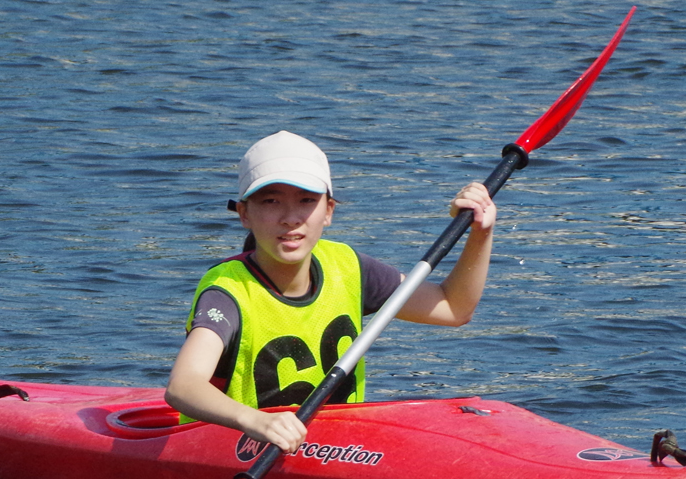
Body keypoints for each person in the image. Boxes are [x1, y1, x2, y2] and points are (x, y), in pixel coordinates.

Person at [166, 131, 497, 452]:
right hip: (235, 447)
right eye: (271, 201)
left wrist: (480, 233)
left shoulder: (348, 266)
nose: (290, 218)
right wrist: (255, 422)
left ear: (328, 211)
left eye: (307, 200)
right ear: (244, 214)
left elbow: (454, 309)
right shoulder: (228, 291)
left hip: (340, 447)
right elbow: (184, 386)